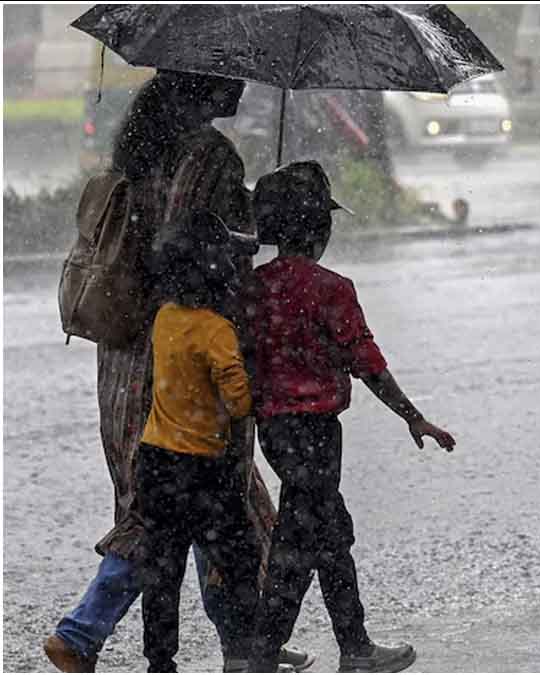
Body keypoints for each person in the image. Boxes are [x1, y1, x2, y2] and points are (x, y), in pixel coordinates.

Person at [44, 70, 311, 673]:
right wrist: (262, 218)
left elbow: (155, 244)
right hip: (190, 355)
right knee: (199, 507)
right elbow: (209, 249)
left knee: (177, 501)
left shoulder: (136, 150)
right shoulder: (209, 155)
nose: (244, 85)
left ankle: (246, 639)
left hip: (128, 357)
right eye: (231, 75)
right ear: (202, 86)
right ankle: (81, 634)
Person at [245, 162, 457, 673]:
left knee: (325, 532)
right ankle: (269, 653)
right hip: (316, 432)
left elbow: (245, 359)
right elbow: (366, 361)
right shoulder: (331, 288)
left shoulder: (250, 288)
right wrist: (413, 416)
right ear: (320, 228)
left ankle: (346, 645)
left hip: (272, 430)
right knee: (303, 538)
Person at [134, 211, 264, 673]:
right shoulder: (217, 331)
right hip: (203, 469)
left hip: (155, 463)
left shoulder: (165, 319)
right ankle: (246, 650)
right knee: (239, 558)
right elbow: (239, 400)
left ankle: (160, 660)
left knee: (163, 571)